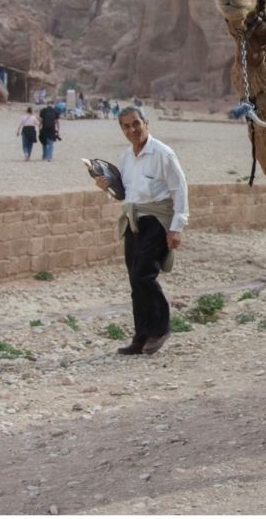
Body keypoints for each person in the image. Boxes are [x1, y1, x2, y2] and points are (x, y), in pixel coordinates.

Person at [96, 105, 189, 356]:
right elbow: (124, 194)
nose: (132, 129)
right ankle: (141, 336)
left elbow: (179, 189)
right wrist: (105, 185)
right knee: (134, 280)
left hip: (156, 220)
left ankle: (159, 329)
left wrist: (176, 227)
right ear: (122, 129)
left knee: (143, 276)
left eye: (136, 123)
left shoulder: (163, 153)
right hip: (133, 221)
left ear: (146, 123)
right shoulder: (126, 157)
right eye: (126, 126)